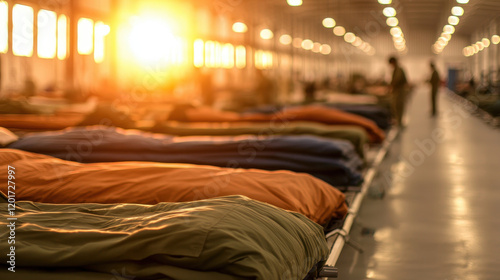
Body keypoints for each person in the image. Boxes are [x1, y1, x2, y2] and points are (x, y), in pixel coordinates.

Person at [388, 56, 408, 127]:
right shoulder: (397, 69)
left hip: (399, 91)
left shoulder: (398, 70)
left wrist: (391, 86)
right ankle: (399, 121)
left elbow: (397, 80)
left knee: (398, 106)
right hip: (398, 91)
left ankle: (399, 122)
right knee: (396, 106)